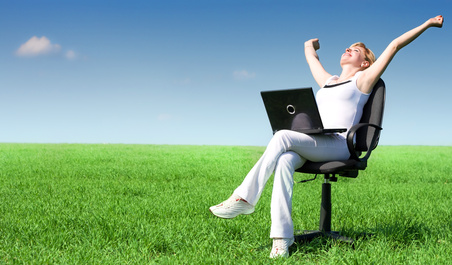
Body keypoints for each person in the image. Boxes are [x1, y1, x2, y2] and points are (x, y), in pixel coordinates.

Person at [209, 15, 444, 258]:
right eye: (347, 47)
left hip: (340, 145)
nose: (347, 50)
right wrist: (309, 45)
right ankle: (282, 239)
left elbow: (394, 45)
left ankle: (244, 198)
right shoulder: (328, 82)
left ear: (365, 63)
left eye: (354, 50)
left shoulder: (363, 80)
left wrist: (427, 25)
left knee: (281, 138)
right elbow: (311, 58)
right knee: (284, 160)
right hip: (316, 142)